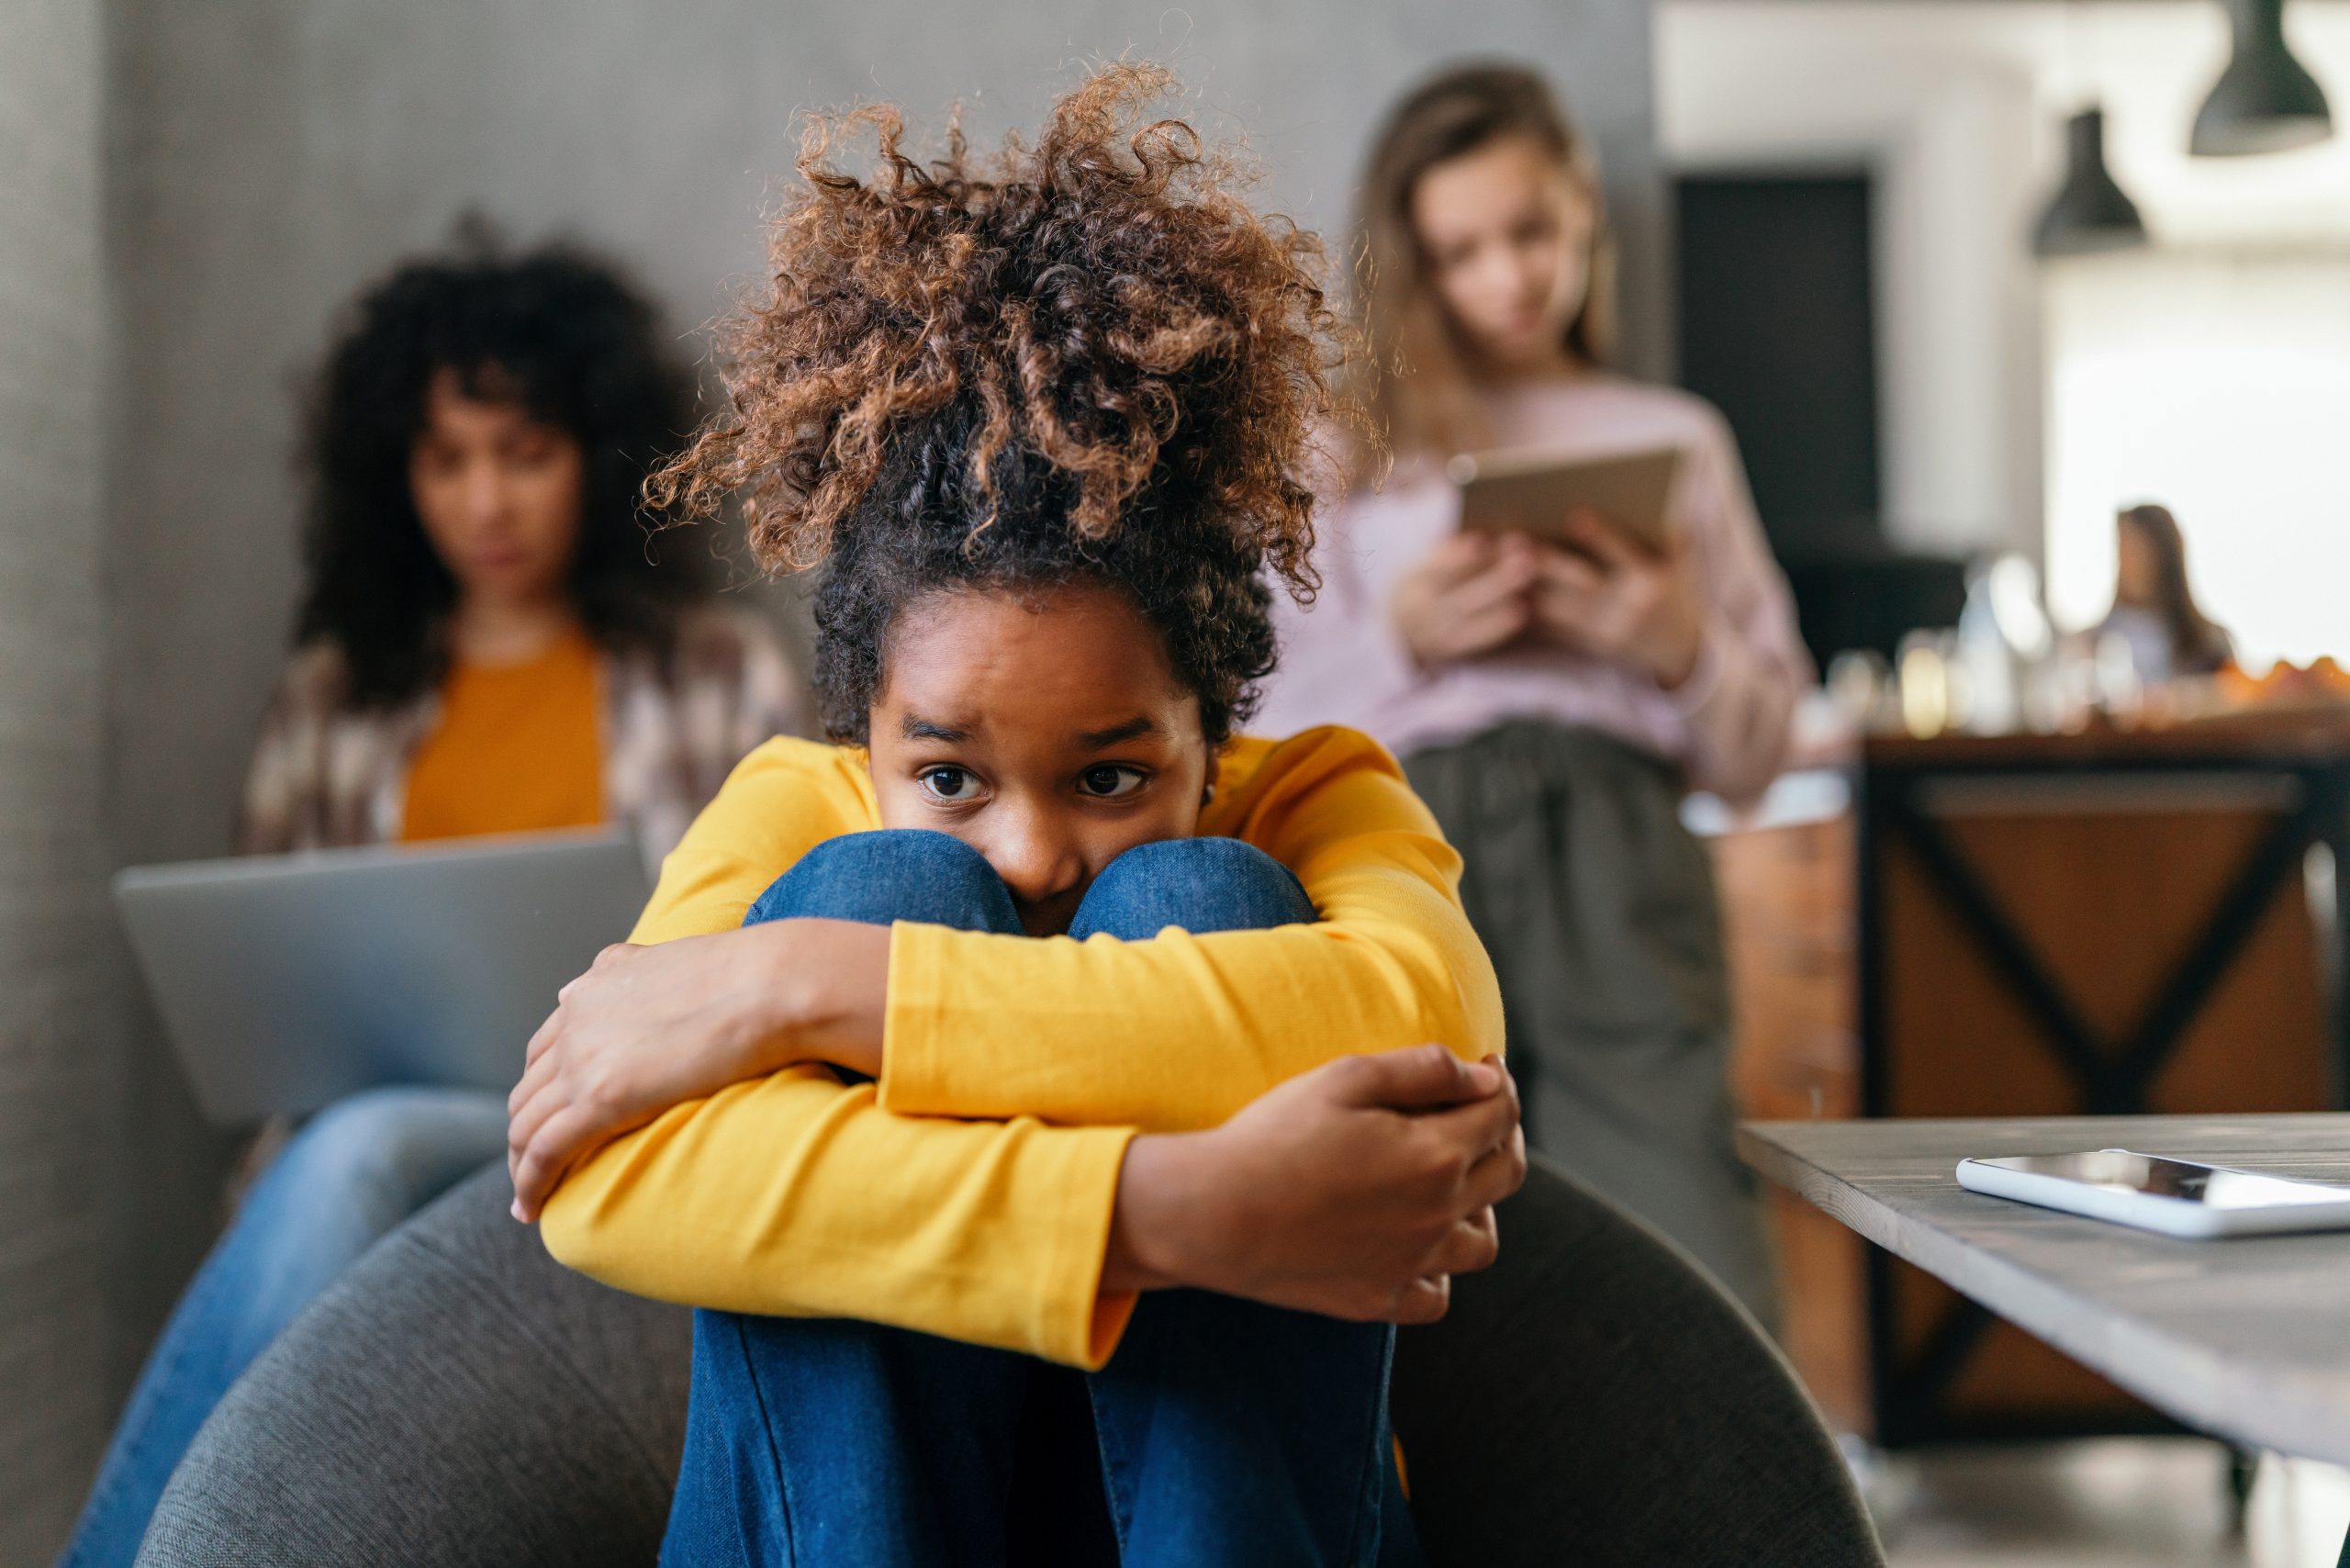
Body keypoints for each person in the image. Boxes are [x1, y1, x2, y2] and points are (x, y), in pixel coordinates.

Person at [505, 66, 1524, 1567]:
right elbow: (599, 1174)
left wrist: (800, 987)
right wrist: (1163, 1208)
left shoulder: (1310, 796)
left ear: (1214, 719)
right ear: (861, 726)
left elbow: (1423, 1026)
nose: (1035, 849)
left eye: (1111, 772)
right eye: (951, 771)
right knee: (882, 880)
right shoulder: (796, 807)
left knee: (1208, 901)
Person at [59, 241, 805, 1568]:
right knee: (345, 1148)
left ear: (596, 453)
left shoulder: (716, 680)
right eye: (444, 459)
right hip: (387, 1140)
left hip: (612, 1137)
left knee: (352, 1150)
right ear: (393, 476)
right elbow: (268, 1000)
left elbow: (787, 941)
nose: (485, 500)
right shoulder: (334, 703)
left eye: (523, 452)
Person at [1250, 64, 1808, 1325]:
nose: (1507, 277)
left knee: (1679, 1217)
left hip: (1619, 845)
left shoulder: (1673, 436)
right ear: (1406, 261)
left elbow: (1762, 755)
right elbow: (1242, 728)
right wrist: (1407, 639)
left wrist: (1677, 646)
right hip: (1393, 840)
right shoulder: (1337, 445)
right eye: (1460, 250)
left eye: (1532, 233)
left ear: (1585, 220)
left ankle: (1722, 1510)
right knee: (1412, 1214)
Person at [2097, 501, 2232, 684]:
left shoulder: (2209, 646)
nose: (2131, 563)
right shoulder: (2090, 646)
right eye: (2124, 549)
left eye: (2140, 551)